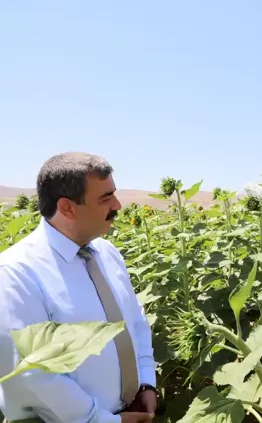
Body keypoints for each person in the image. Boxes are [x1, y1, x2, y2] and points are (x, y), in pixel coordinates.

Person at [0, 152, 158, 423]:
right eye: (105, 198)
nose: (118, 205)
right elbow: (36, 372)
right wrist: (105, 421)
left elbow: (135, 321)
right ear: (67, 208)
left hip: (126, 410)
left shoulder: (106, 253)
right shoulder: (16, 272)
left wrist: (145, 380)